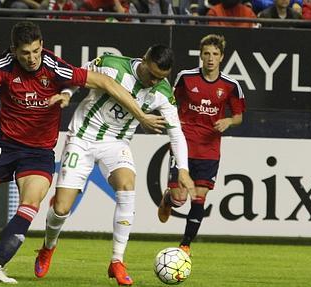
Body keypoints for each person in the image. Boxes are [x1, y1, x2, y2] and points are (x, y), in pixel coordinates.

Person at [0, 21, 166, 284]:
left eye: (36, 51)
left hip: (38, 152)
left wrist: (140, 115)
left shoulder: (53, 66)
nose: (32, 59)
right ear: (14, 50)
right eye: (25, 53)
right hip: (3, 144)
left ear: (42, 46)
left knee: (30, 204)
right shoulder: (1, 66)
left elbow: (105, 81)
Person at [34, 45, 195, 286]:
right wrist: (66, 94)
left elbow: (177, 134)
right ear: (144, 59)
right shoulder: (111, 64)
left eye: (160, 77)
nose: (153, 81)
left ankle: (117, 261)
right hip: (82, 137)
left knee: (127, 185)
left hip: (116, 143)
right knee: (61, 208)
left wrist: (183, 168)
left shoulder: (162, 92)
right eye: (151, 74)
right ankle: (48, 246)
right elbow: (76, 76)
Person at [157, 34, 246, 257]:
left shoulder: (231, 86)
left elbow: (238, 116)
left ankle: (185, 246)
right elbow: (170, 104)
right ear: (200, 55)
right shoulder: (185, 78)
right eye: (206, 54)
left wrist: (228, 120)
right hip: (184, 145)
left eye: (215, 54)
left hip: (210, 149)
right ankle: (169, 199)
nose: (210, 58)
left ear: (222, 57)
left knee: (199, 197)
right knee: (179, 199)